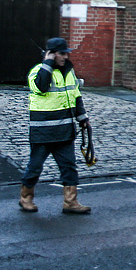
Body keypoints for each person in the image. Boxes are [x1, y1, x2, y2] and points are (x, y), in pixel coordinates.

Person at [18, 37, 91, 214]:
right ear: (50, 54)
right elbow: (41, 87)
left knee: (69, 167)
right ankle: (25, 198)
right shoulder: (37, 71)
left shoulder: (69, 73)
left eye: (66, 53)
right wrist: (47, 63)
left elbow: (76, 96)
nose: (65, 57)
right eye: (61, 53)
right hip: (42, 132)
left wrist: (83, 119)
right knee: (35, 167)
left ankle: (71, 202)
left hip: (65, 131)